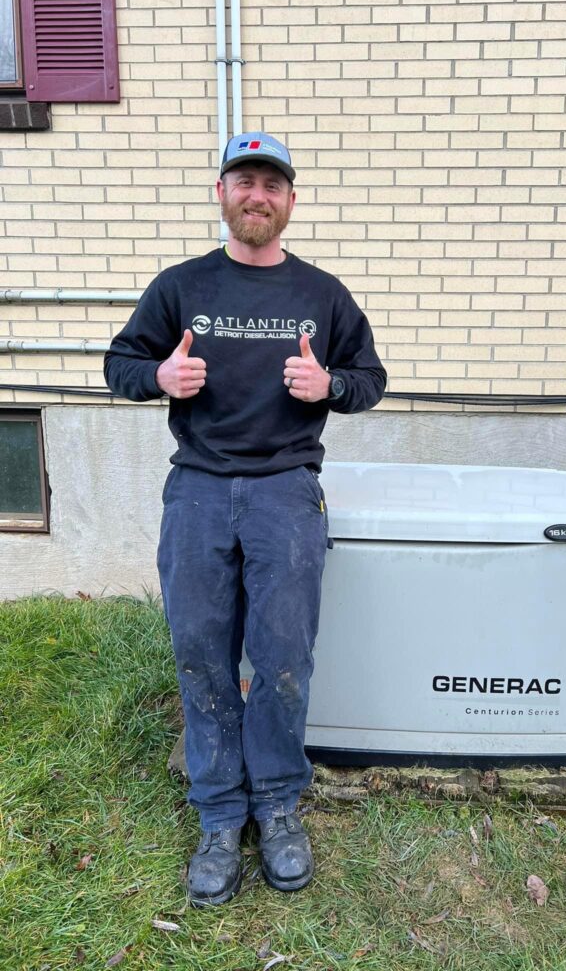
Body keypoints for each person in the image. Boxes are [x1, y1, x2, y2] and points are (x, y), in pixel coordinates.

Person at [104, 132, 386, 907]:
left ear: (290, 201)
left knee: (283, 656)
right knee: (201, 653)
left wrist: (328, 383)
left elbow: (371, 379)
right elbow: (119, 365)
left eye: (271, 183)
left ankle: (278, 804)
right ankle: (221, 814)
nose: (256, 195)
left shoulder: (322, 295)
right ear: (221, 195)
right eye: (243, 181)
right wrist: (159, 374)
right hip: (197, 490)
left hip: (285, 492)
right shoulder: (181, 285)